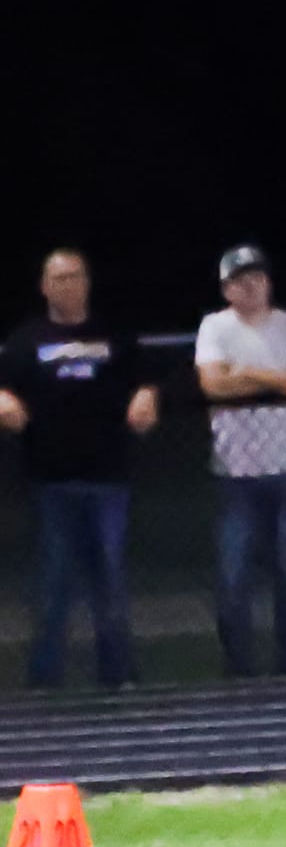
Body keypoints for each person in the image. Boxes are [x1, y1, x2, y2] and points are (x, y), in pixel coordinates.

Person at [0, 249, 159, 689]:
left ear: (87, 282)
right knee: (53, 585)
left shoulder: (115, 336)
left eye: (75, 276)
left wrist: (147, 396)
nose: (68, 284)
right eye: (59, 277)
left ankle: (118, 674)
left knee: (110, 579)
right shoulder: (26, 340)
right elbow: (5, 387)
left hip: (108, 478)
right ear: (44, 285)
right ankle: (45, 679)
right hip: (50, 481)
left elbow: (146, 380)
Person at [194, 245, 286, 677]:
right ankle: (239, 668)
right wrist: (276, 380)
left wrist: (247, 374)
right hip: (235, 473)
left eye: (257, 277)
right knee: (233, 577)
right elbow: (213, 385)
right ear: (226, 288)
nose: (251, 286)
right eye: (240, 280)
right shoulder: (214, 327)